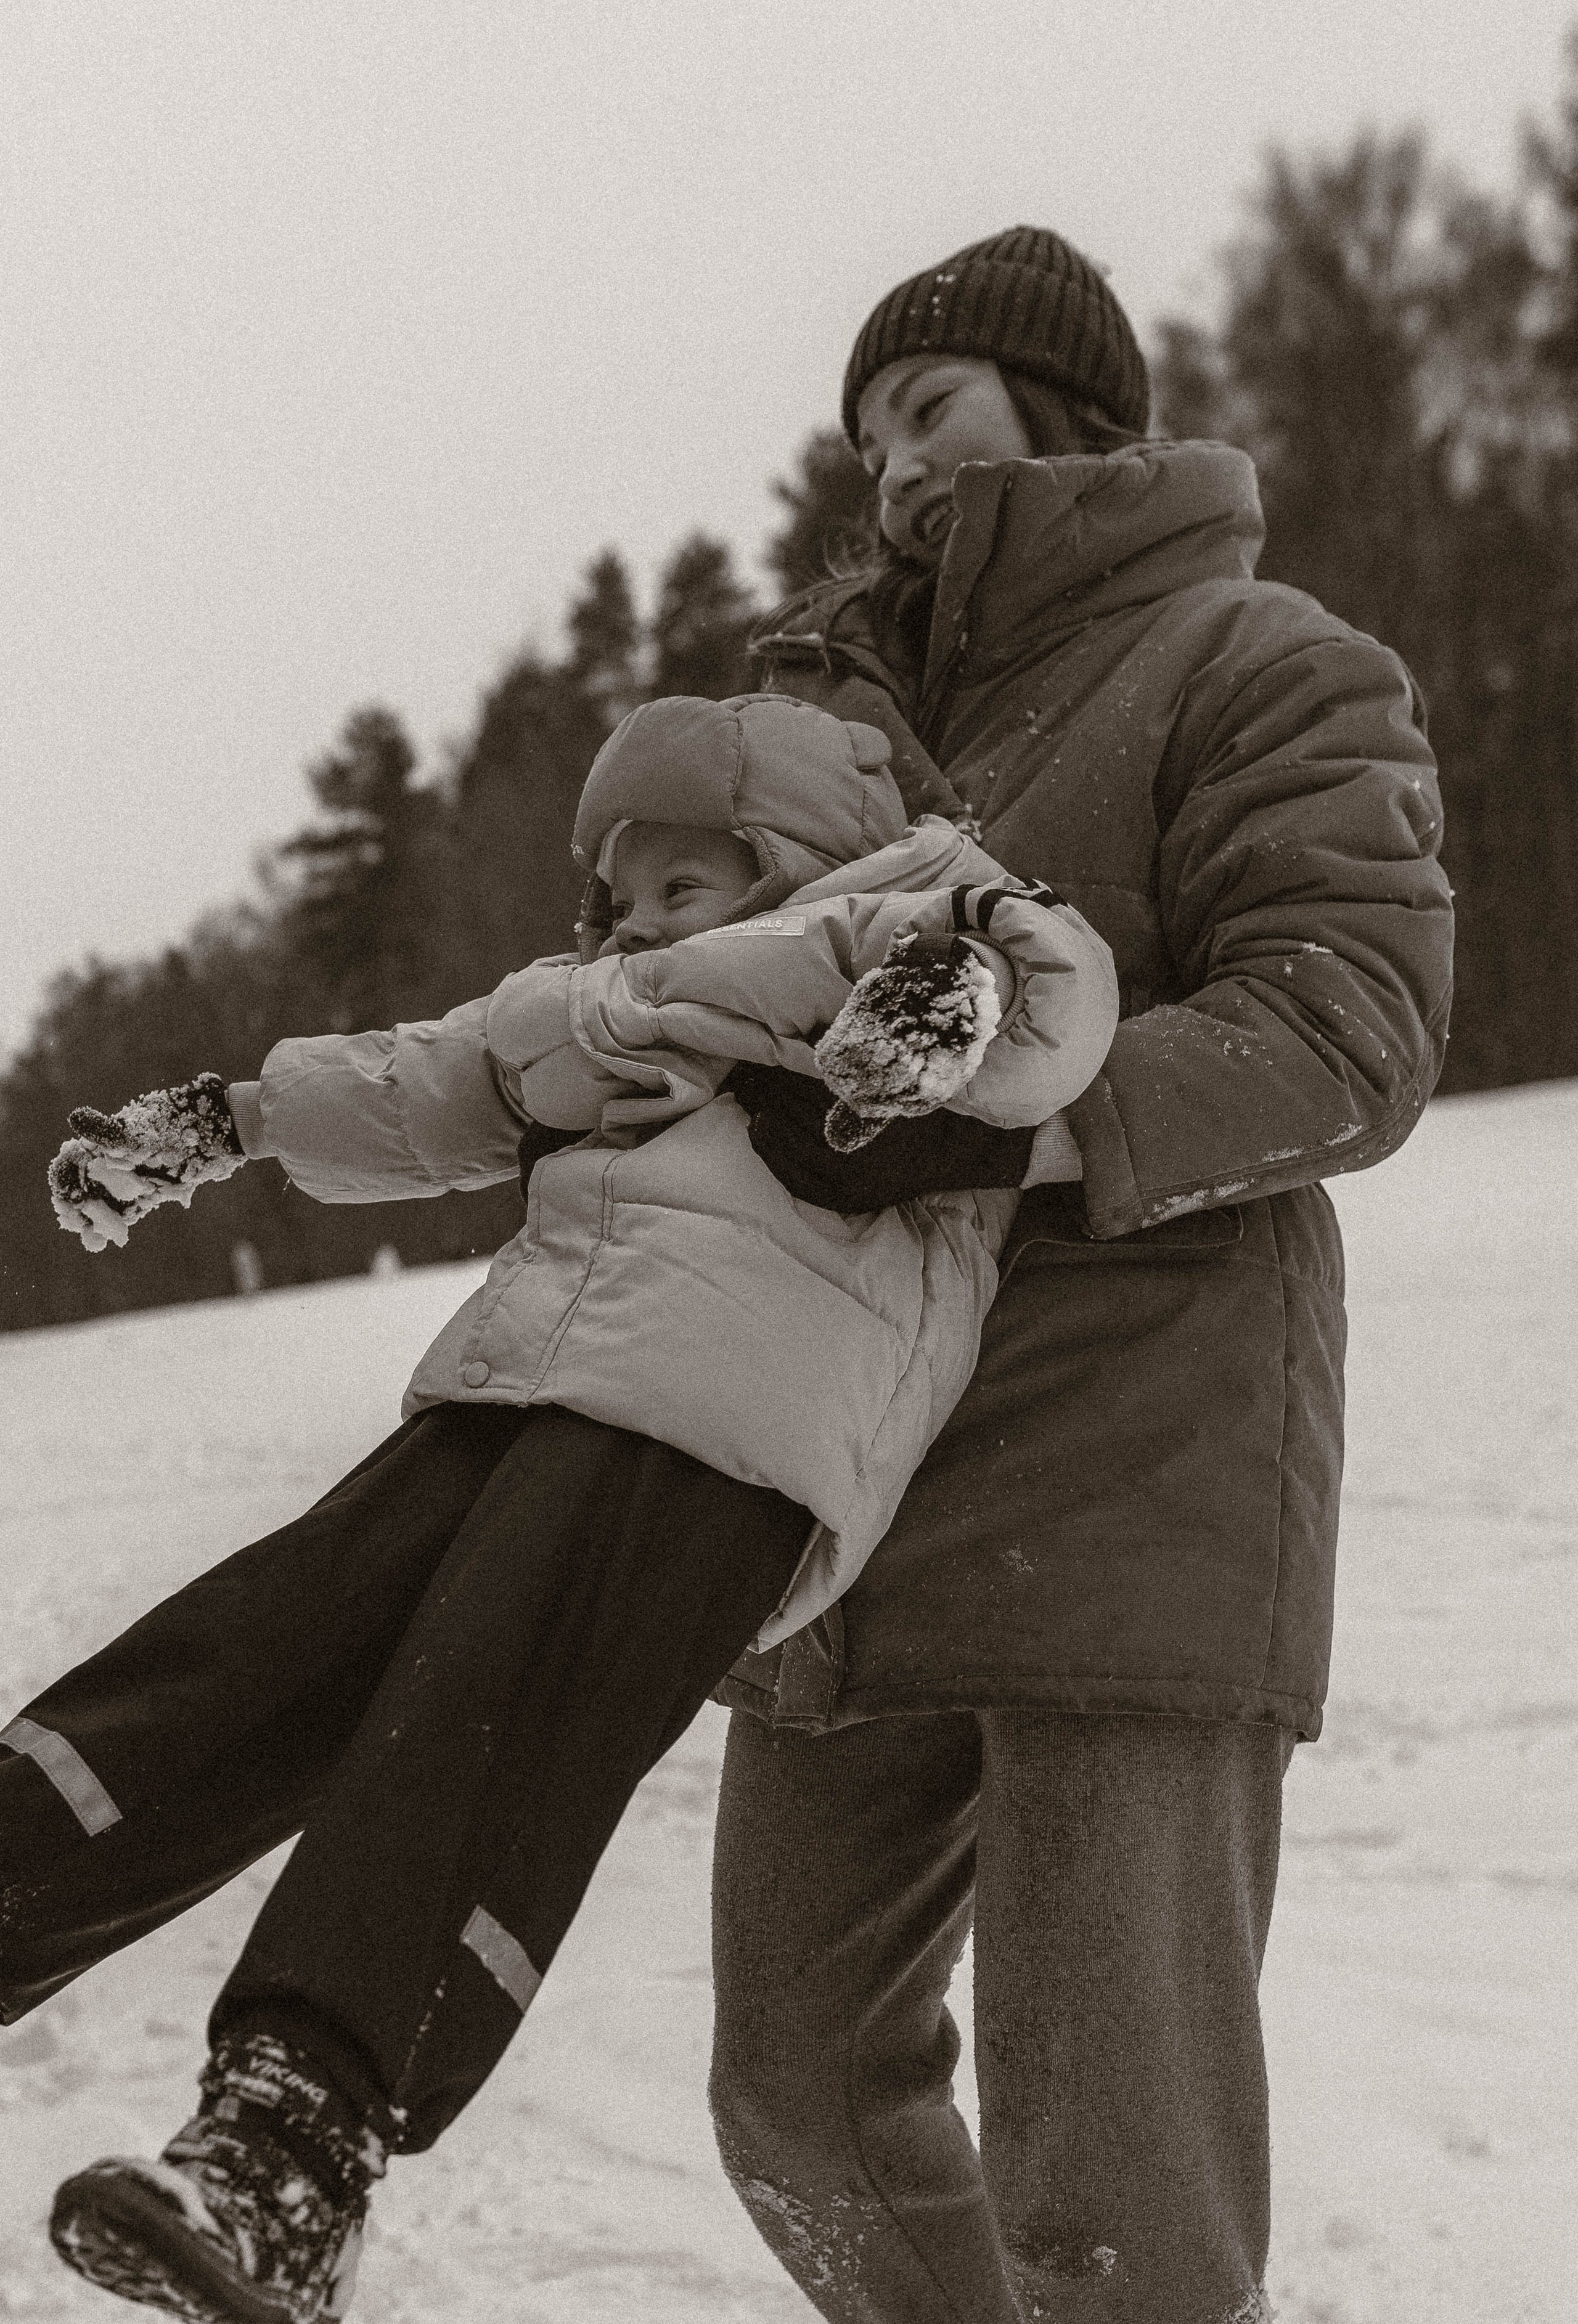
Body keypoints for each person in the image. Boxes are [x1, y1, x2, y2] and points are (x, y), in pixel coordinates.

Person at [3, 688, 1117, 2324]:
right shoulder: (587, 1007)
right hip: (519, 1398)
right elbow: (419, 1081)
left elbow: (1055, 1003)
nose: (644, 917)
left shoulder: (898, 915)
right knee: (263, 1645)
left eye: (689, 881)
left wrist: (942, 1001)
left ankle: (298, 2143)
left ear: (797, 859)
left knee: (485, 1721)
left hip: (726, 1428)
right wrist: (219, 1123)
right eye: (625, 888)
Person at [702, 229, 1457, 2324]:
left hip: (1141, 1479)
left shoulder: (1260, 659)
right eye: (865, 442)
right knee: (794, 2104)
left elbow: (1350, 1025)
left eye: (927, 409)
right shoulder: (825, 746)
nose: (893, 471)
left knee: (1111, 2196)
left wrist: (997, 1113)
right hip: (851, 1487)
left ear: (1068, 409)